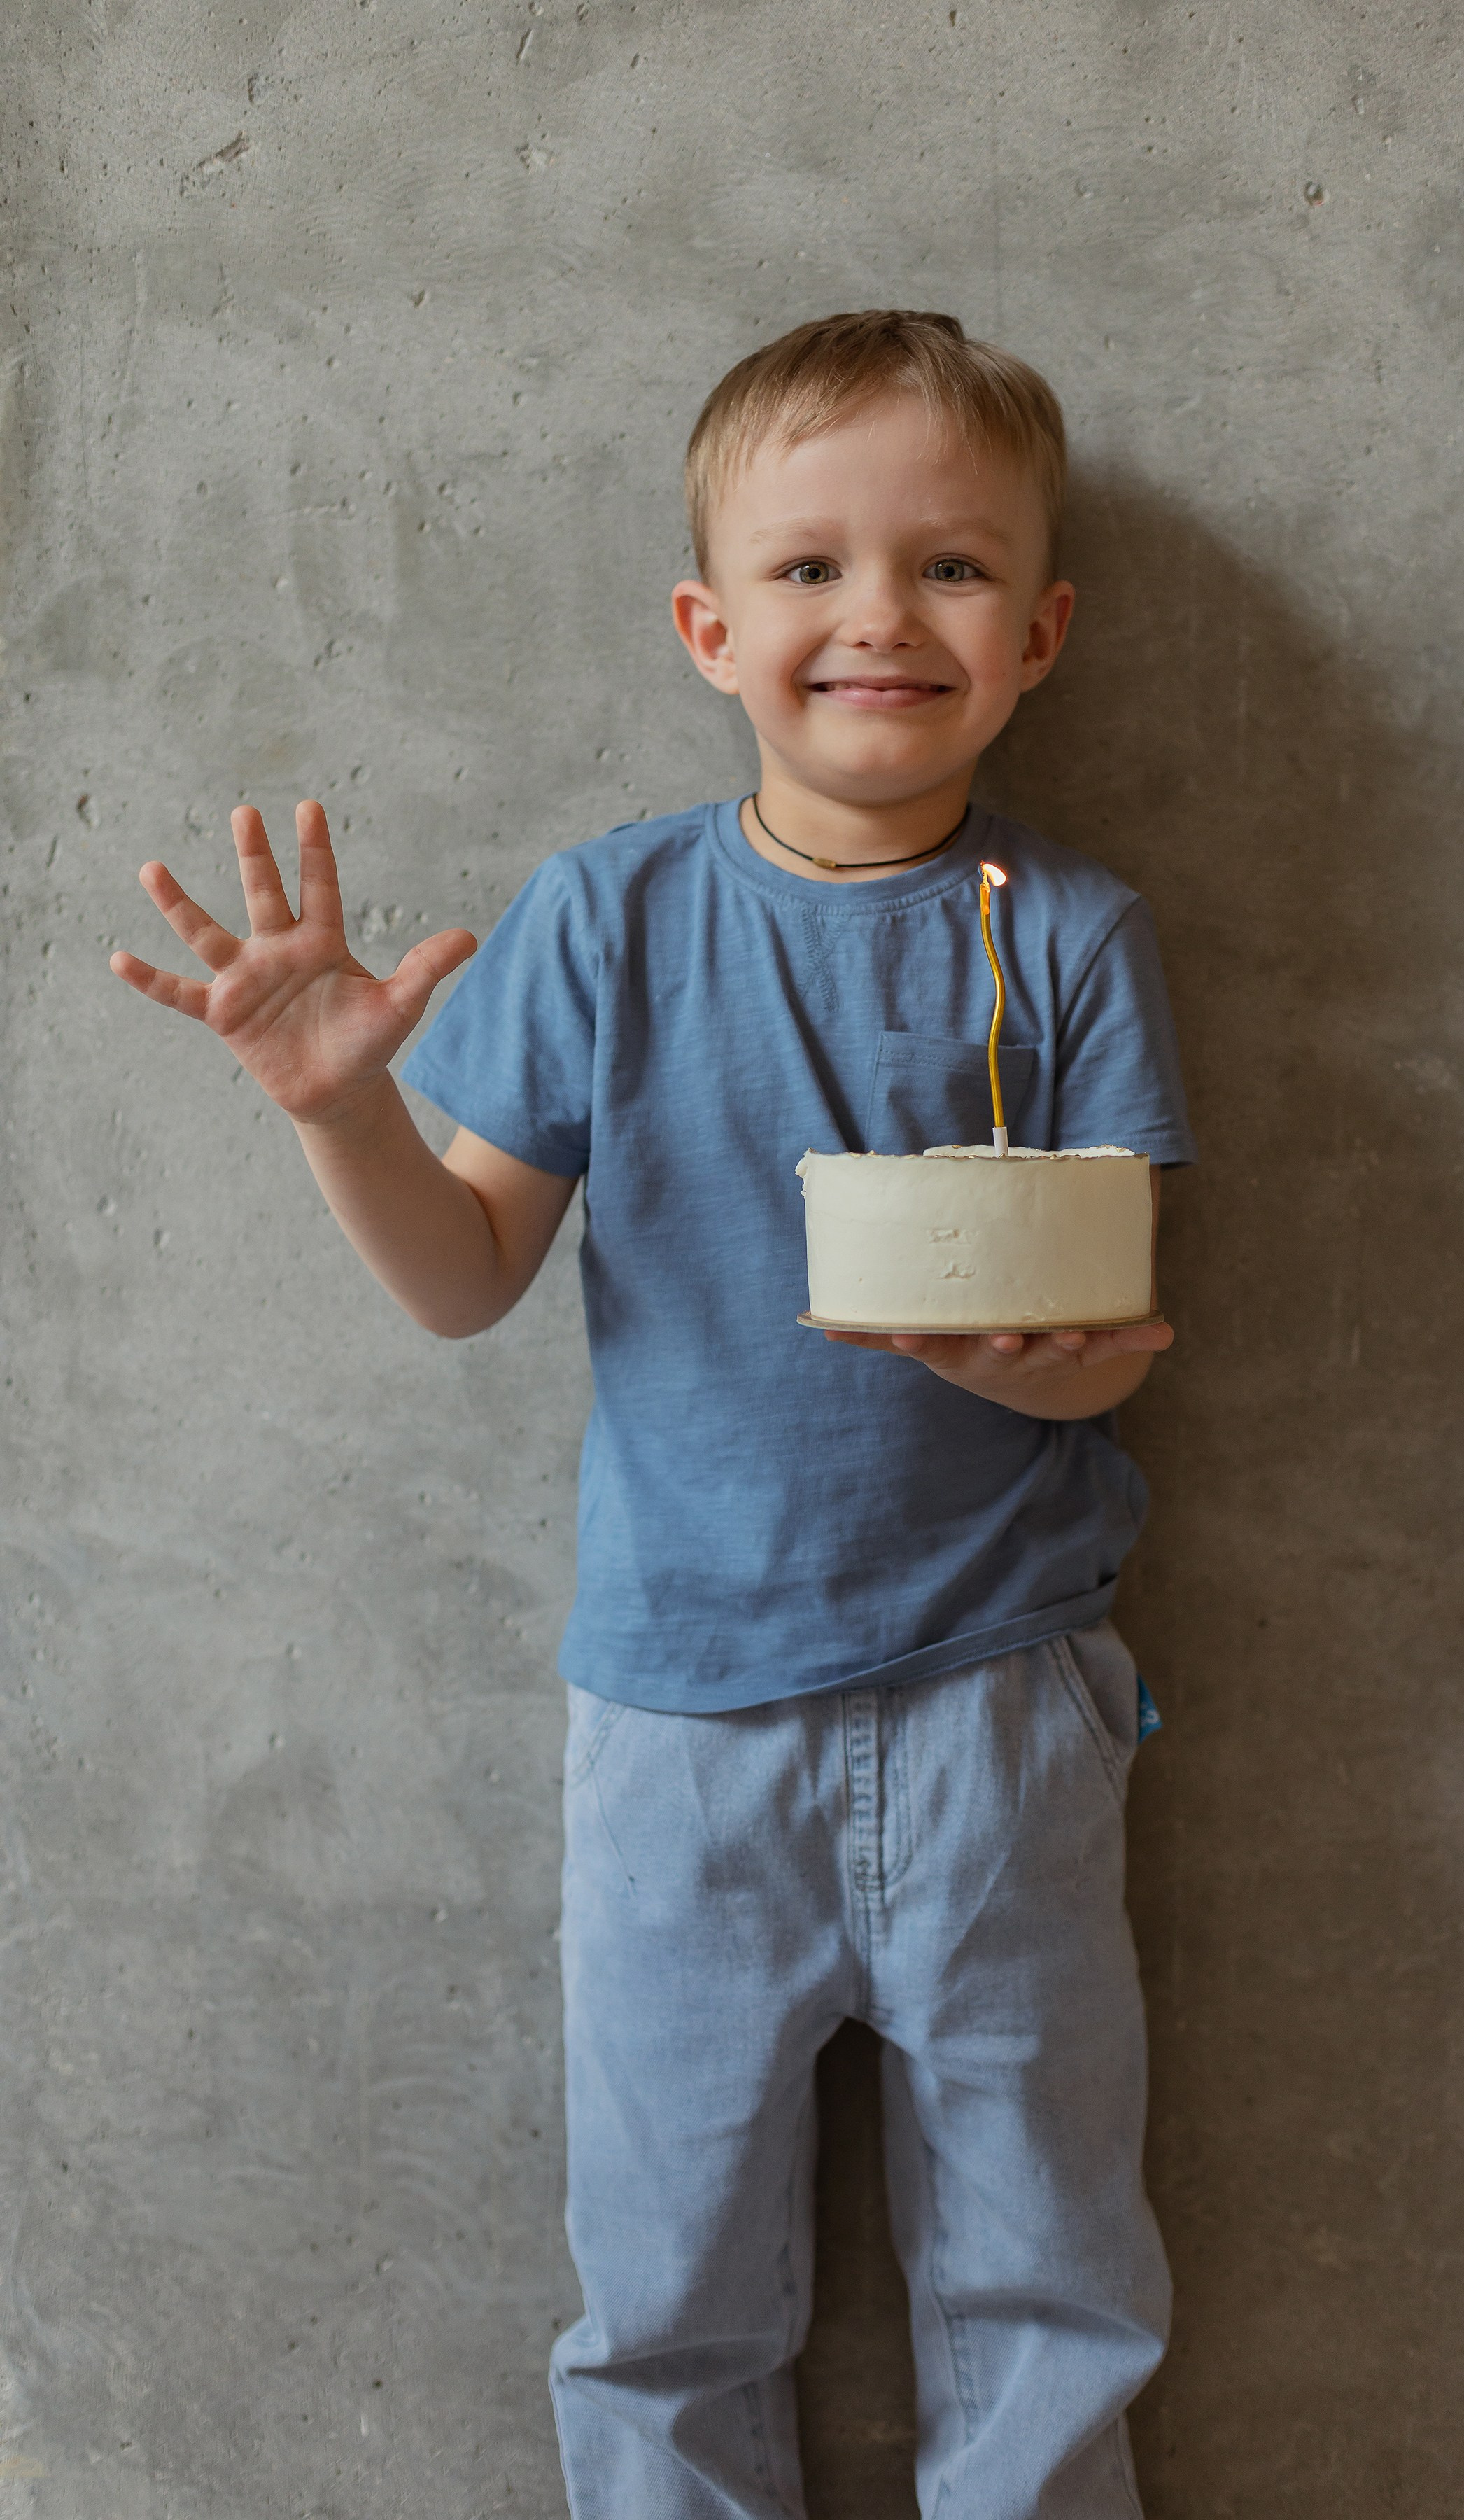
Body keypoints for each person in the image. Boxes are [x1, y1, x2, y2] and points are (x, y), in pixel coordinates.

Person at [111, 309, 1197, 2519]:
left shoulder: (1076, 932)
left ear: (1042, 631)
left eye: (952, 570)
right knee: (668, 2300)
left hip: (1006, 1712)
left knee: (1051, 2278)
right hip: (685, 1736)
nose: (878, 617)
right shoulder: (608, 918)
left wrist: (1038, 1359)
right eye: (808, 571)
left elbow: (1121, 1322)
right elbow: (460, 1280)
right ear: (710, 628)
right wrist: (343, 1117)